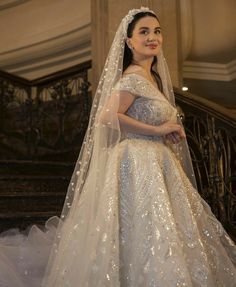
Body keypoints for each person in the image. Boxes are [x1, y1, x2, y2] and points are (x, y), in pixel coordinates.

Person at [0, 7, 236, 287]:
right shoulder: (133, 77)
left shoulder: (153, 79)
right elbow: (107, 116)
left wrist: (166, 132)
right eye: (144, 32)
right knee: (142, 230)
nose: (153, 37)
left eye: (157, 31)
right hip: (137, 160)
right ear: (129, 41)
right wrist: (157, 129)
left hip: (156, 161)